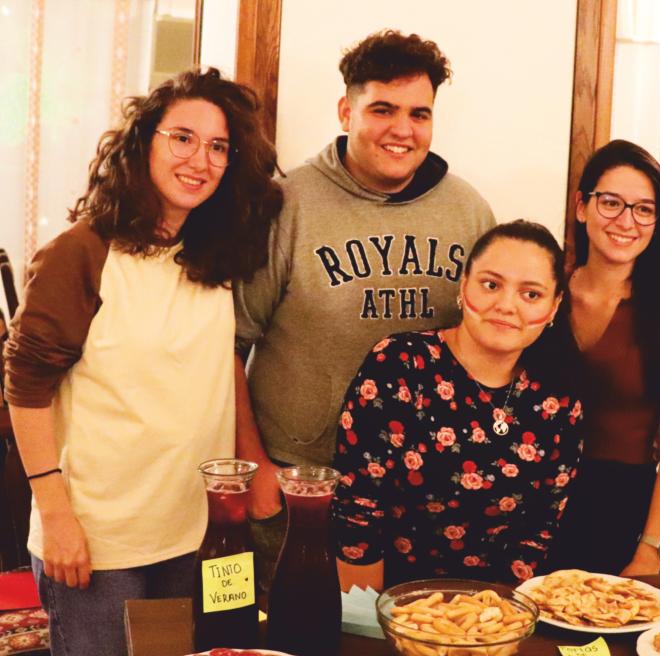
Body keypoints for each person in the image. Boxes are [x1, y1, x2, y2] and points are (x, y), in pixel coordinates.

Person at [3, 68, 280, 654]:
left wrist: (252, 465)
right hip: (101, 544)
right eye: (183, 138)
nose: (200, 160)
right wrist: (55, 516)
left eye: (218, 147)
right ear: (142, 143)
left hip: (197, 532)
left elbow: (220, 365)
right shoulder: (82, 252)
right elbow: (25, 387)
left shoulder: (213, 256)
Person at [232, 30, 496, 588]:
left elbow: (491, 349)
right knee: (295, 628)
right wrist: (257, 470)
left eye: (419, 114)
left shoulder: (469, 212)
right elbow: (227, 346)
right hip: (304, 489)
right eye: (383, 109)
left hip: (429, 498)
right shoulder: (287, 204)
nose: (403, 129)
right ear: (345, 111)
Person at [332, 221, 584, 589]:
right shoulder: (400, 364)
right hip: (387, 599)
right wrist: (367, 618)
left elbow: (539, 529)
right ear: (464, 285)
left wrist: (495, 616)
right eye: (491, 285)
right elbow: (358, 511)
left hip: (497, 607)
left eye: (531, 294)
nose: (506, 306)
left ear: (554, 306)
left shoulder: (558, 396)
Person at [548, 140, 660, 576]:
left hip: (618, 508)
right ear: (582, 206)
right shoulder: (543, 291)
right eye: (611, 203)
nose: (626, 221)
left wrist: (651, 549)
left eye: (644, 209)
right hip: (525, 500)